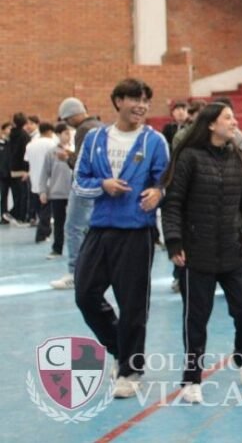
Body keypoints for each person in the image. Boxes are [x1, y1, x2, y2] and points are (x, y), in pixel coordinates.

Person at [160, 102, 242, 404]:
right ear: (211, 124)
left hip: (232, 253)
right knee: (196, 319)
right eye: (228, 118)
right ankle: (192, 378)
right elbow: (173, 204)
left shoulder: (239, 157)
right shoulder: (189, 158)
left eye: (234, 116)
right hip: (197, 255)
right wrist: (174, 241)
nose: (234, 122)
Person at [73, 78, 169, 398]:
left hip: (137, 232)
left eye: (145, 100)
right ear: (118, 101)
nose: (141, 105)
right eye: (134, 99)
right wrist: (104, 185)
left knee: (133, 304)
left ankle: (131, 369)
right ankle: (119, 348)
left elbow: (165, 183)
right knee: (85, 294)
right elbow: (79, 183)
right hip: (100, 229)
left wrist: (158, 192)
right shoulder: (94, 138)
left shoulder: (155, 142)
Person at [49, 97, 103, 290]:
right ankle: (92, 270)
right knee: (91, 229)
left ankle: (75, 272)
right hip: (98, 185)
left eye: (68, 118)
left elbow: (82, 162)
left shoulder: (83, 129)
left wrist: (67, 157)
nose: (68, 124)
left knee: (73, 227)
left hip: (84, 185)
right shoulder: (100, 125)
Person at [39, 123, 74, 260]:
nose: (68, 136)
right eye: (65, 133)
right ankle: (57, 248)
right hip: (57, 193)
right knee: (59, 222)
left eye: (69, 133)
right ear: (58, 135)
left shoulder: (74, 151)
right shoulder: (51, 153)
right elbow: (44, 173)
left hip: (74, 193)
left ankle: (77, 250)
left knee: (75, 223)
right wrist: (43, 191)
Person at [25, 122, 58, 243]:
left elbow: (27, 161)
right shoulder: (53, 144)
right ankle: (42, 233)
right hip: (49, 180)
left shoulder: (30, 144)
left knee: (40, 207)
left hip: (34, 179)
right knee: (47, 208)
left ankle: (43, 230)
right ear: (49, 131)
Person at [0, 122, 11, 224]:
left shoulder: (13, 143)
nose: (10, 131)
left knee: (19, 196)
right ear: (3, 130)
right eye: (8, 129)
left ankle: (14, 214)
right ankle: (3, 215)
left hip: (13, 173)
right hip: (2, 174)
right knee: (3, 195)